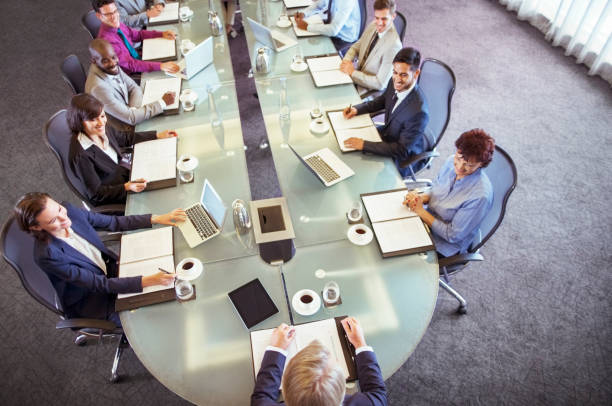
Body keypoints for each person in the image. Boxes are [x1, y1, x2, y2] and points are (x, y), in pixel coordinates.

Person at [13, 192, 186, 326]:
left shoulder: (70, 211)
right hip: (94, 298)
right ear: (36, 227)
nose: (63, 218)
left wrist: (156, 218)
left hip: (109, 271)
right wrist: (146, 281)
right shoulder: (48, 255)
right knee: (159, 317)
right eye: (53, 220)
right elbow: (98, 285)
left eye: (59, 209)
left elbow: (113, 222)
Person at [67, 93, 178, 206]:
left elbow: (124, 138)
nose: (101, 123)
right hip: (117, 191)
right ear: (80, 122)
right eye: (93, 120)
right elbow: (96, 194)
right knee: (168, 196)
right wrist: (126, 187)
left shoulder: (101, 128)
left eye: (102, 116)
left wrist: (156, 135)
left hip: (127, 172)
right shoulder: (81, 156)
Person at [251, 317, 387, 406]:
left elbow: (261, 396)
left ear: (284, 390)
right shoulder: (370, 403)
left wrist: (276, 349)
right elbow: (377, 392)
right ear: (343, 392)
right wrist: (360, 344)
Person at [404, 129, 495, 257]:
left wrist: (421, 212)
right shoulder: (450, 162)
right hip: (425, 220)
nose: (459, 167)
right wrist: (421, 197)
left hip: (443, 244)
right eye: (458, 158)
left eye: (469, 165)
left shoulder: (480, 196)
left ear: (481, 164)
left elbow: (452, 235)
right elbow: (436, 188)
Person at [343, 47, 429, 177]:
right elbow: (383, 100)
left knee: (360, 173)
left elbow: (401, 150)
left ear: (416, 74)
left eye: (403, 75)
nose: (397, 79)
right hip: (387, 136)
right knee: (347, 151)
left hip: (400, 157)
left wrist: (364, 145)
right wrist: (357, 109)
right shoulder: (394, 80)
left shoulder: (418, 112)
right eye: (395, 72)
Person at [85, 39, 175, 128]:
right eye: (105, 61)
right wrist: (162, 102)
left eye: (113, 57)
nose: (112, 63)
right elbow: (131, 119)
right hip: (124, 129)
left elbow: (133, 87)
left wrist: (134, 110)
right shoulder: (98, 88)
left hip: (130, 111)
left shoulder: (110, 66)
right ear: (94, 61)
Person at [93, 0, 179, 75]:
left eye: (115, 11)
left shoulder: (116, 24)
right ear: (99, 16)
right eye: (108, 14)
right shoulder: (107, 42)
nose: (114, 17)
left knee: (176, 52)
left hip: (139, 58)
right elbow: (131, 65)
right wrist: (160, 66)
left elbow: (137, 35)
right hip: (133, 74)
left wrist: (161, 34)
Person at [340, 0, 402, 95]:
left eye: (384, 19)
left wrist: (352, 72)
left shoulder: (394, 46)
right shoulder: (374, 25)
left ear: (393, 17)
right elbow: (356, 46)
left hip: (368, 91)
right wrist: (346, 61)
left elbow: (380, 83)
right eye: (377, 17)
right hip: (356, 77)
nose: (379, 23)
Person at [294, 0, 361, 51]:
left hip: (342, 38)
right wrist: (304, 13)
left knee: (306, 49)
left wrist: (307, 27)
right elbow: (319, 5)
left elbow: (333, 30)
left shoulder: (346, 1)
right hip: (330, 27)